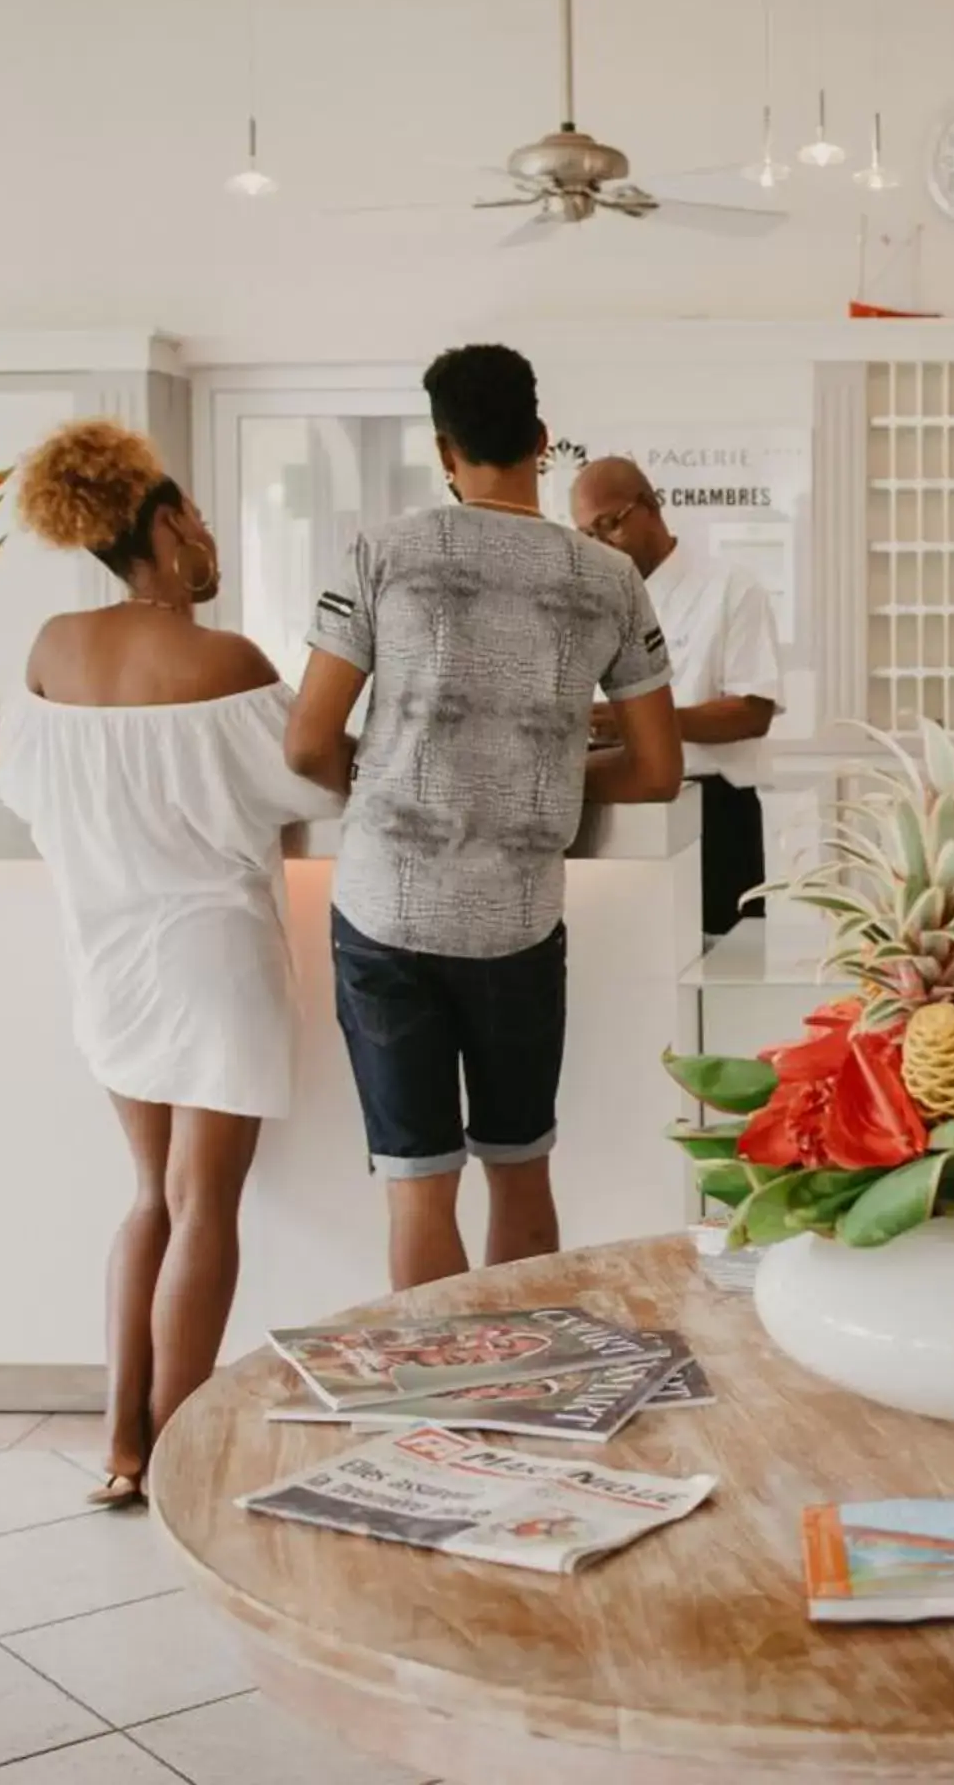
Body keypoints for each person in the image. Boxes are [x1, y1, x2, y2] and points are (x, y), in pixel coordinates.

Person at [0, 419, 342, 1509]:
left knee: (147, 1192)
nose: (210, 540)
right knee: (207, 1206)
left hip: (104, 952)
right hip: (213, 957)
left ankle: (119, 1443)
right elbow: (315, 785)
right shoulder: (226, 659)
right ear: (166, 521)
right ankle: (181, 1443)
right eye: (197, 520)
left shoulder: (52, 647)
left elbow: (23, 788)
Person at [285, 344, 681, 1292]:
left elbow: (305, 745)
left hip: (387, 912)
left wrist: (392, 784)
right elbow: (660, 769)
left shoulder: (385, 551)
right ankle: (524, 1390)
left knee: (418, 1187)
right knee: (520, 1164)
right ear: (541, 442)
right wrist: (527, 791)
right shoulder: (609, 578)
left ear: (443, 449)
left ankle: (441, 1414)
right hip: (517, 919)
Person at [568, 455, 784, 937]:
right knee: (633, 975)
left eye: (609, 526)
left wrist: (638, 722)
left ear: (649, 507)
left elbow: (753, 711)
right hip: (614, 810)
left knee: (722, 974)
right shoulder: (592, 605)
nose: (601, 544)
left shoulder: (730, 587)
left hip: (714, 816)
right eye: (587, 535)